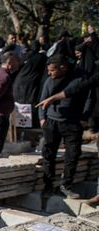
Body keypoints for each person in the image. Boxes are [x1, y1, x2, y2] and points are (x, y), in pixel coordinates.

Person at [38, 55, 92, 199]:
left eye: (52, 70)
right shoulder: (49, 81)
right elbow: (42, 100)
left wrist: (84, 118)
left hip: (72, 123)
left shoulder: (79, 79)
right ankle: (48, 185)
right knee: (49, 155)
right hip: (51, 122)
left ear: (63, 67)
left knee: (72, 155)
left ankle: (66, 186)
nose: (49, 73)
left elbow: (88, 99)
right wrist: (42, 119)